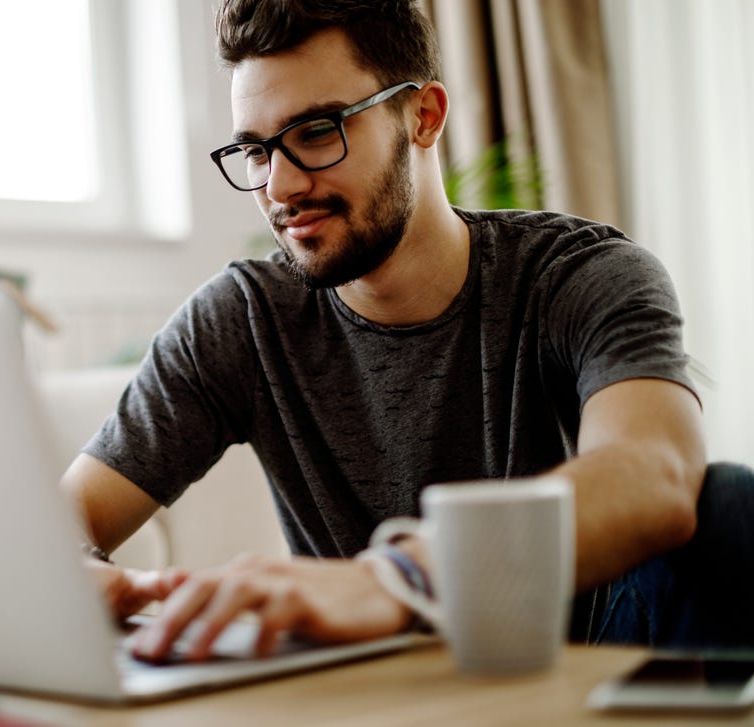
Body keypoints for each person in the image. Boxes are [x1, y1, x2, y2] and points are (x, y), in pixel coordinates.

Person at [60, 0, 754, 661]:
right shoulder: (241, 319)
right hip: (367, 690)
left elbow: (654, 474)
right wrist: (74, 571)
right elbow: (64, 516)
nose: (281, 185)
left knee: (728, 504)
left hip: (566, 668)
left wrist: (396, 577)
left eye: (316, 133)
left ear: (423, 115)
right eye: (258, 150)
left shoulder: (581, 276)